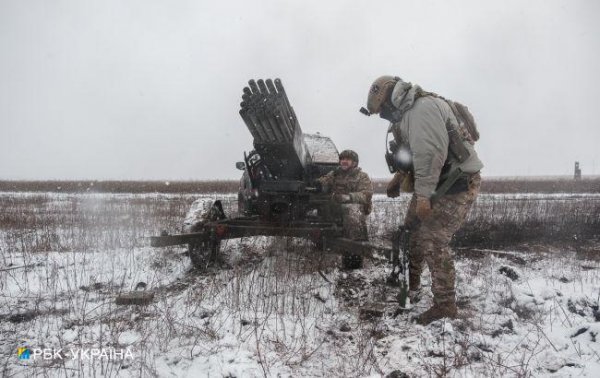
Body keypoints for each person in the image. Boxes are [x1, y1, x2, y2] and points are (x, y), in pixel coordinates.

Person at [364, 76, 483, 324]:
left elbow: (430, 155)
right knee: (411, 231)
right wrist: (399, 177)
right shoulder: (408, 113)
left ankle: (445, 305)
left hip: (457, 183)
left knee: (431, 239)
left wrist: (423, 197)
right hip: (437, 181)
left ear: (388, 98)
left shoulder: (421, 110)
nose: (384, 116)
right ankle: (412, 283)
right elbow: (415, 154)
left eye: (383, 111)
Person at [318, 149, 374, 269]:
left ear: (354, 162)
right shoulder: (335, 174)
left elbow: (366, 195)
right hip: (336, 206)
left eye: (347, 159)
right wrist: (320, 184)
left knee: (352, 210)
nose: (344, 161)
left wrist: (349, 197)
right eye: (342, 159)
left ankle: (354, 256)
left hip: (354, 208)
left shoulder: (362, 176)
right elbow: (323, 182)